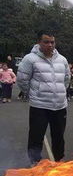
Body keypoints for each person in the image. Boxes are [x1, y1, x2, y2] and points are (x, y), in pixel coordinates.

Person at [16, 31, 70, 165]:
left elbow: (66, 79)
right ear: (39, 42)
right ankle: (34, 162)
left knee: (58, 136)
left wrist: (60, 93)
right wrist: (34, 94)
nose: (50, 45)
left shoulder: (62, 59)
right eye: (46, 42)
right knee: (36, 136)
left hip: (59, 106)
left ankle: (59, 160)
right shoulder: (30, 59)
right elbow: (22, 80)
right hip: (39, 106)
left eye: (52, 42)